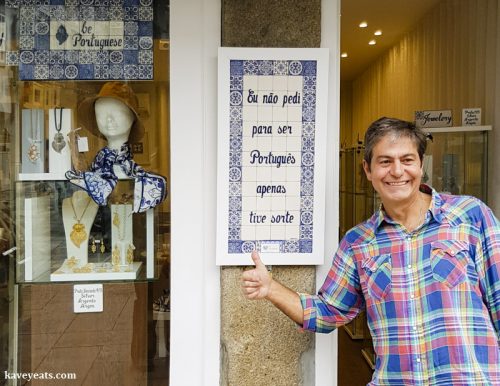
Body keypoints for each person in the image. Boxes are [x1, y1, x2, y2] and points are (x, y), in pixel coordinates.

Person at [242, 117, 500, 385]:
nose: (397, 171)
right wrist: (271, 289)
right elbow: (328, 311)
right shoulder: (358, 243)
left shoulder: (471, 216)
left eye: (407, 160)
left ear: (421, 165)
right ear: (368, 169)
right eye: (385, 161)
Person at [66, 82, 167, 213]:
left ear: (132, 117)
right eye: (101, 113)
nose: (108, 119)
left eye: (117, 112)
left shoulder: (132, 170)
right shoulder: (97, 166)